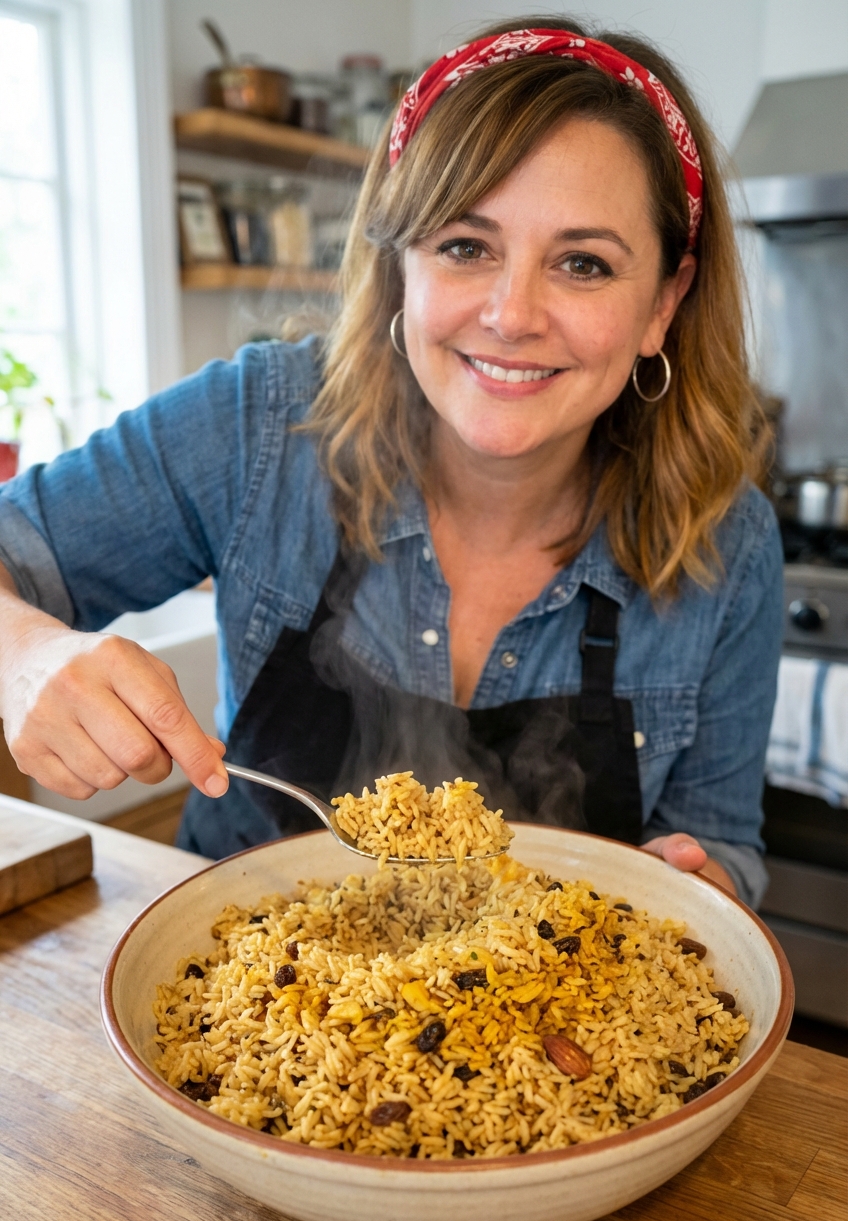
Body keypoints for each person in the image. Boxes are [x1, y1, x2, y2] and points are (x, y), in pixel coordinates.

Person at [0, 17, 781, 906]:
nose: (512, 314)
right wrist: (21, 654)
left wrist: (704, 888)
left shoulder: (729, 541)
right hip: (233, 995)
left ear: (663, 304)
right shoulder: (260, 424)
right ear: (399, 266)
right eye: (464, 246)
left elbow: (724, 847)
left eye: (583, 264)